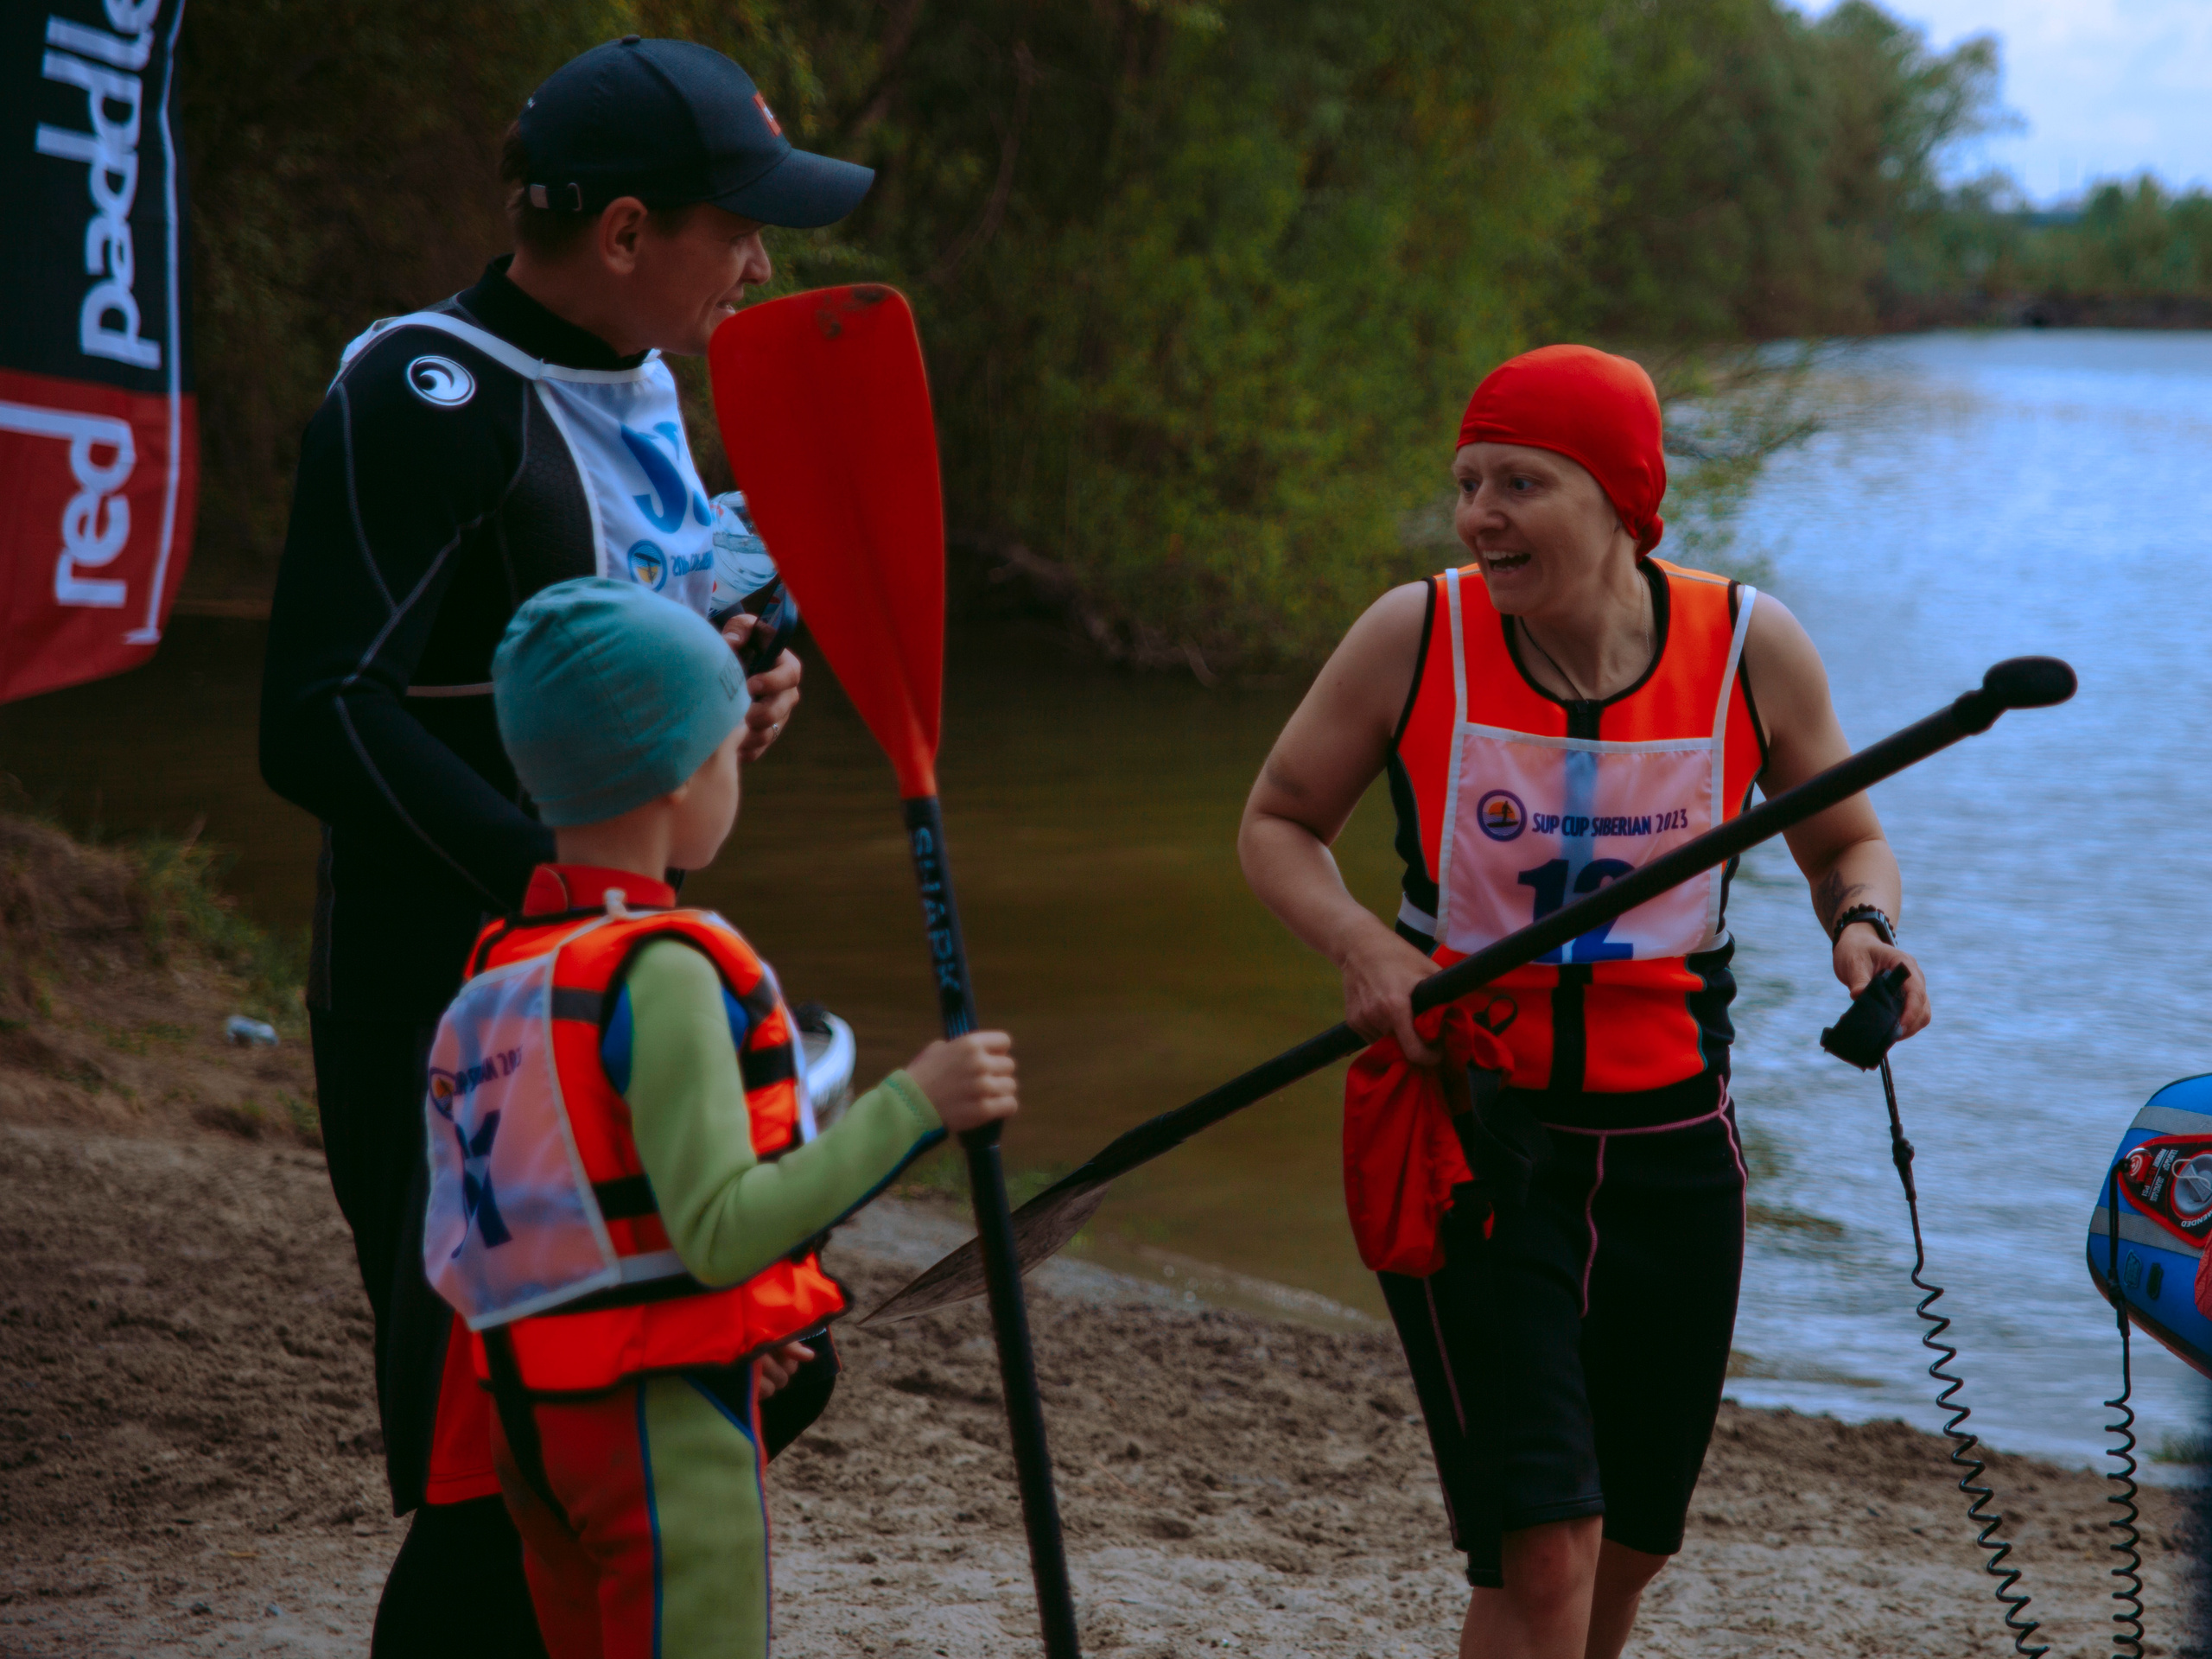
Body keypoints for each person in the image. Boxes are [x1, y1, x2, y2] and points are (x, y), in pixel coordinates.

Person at [257, 36, 871, 1656]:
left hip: (618, 984)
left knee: (751, 1362)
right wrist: (552, 881)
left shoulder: (648, 376)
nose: (757, 262)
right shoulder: (422, 390)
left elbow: (633, 623)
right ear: (618, 233)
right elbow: (318, 713)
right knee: (503, 1444)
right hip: (446, 997)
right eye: (737, 226)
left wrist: (735, 673)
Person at [1236, 344, 1930, 1659]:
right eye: (1467, 482)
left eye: (1521, 483)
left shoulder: (1746, 646)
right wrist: (1359, 948)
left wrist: (1865, 934)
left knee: (1626, 1553)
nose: (1480, 514)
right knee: (1541, 1554)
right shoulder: (1416, 633)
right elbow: (1276, 823)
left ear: (1623, 500)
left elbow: (1849, 843)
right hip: (1475, 1140)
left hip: (1675, 1150)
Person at [421, 576, 1017, 1658]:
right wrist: (914, 1104)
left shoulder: (503, 961)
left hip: (531, 1423)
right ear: (692, 775)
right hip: (656, 1436)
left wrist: (734, 1329)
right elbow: (722, 1227)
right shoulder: (664, 966)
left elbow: (557, 1227)